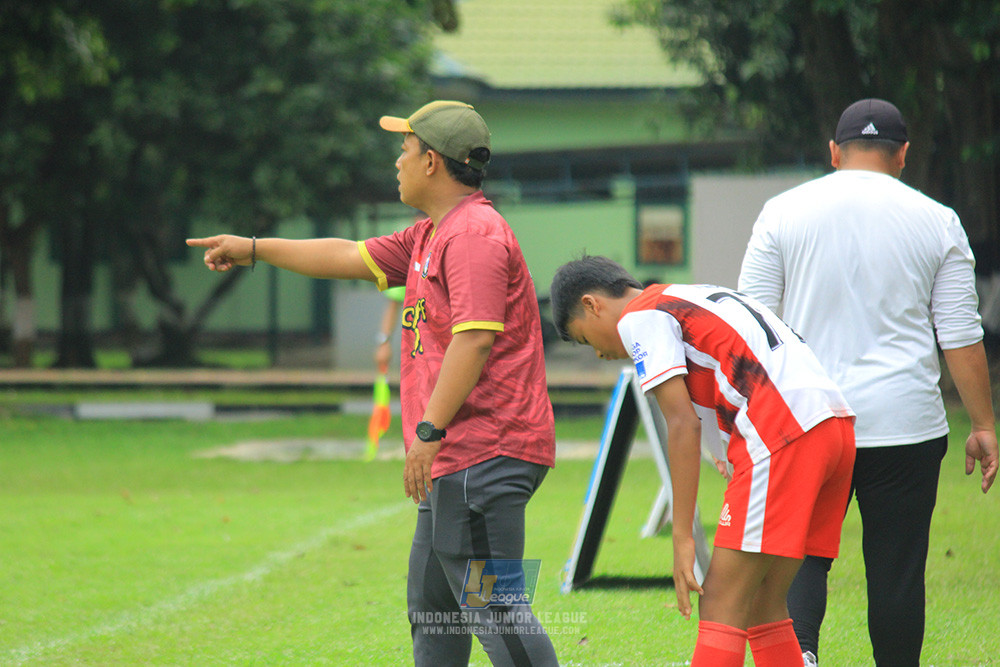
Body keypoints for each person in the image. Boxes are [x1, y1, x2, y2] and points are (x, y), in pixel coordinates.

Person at [188, 100, 558, 667]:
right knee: (433, 610)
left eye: (405, 148)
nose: (397, 160)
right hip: (454, 462)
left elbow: (474, 340)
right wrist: (254, 248)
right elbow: (344, 254)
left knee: (496, 608)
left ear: (432, 161)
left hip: (482, 455)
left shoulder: (475, 235)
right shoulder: (431, 234)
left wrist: (429, 430)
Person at [738, 98, 999, 666]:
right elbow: (960, 333)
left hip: (807, 421)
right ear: (904, 155)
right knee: (898, 570)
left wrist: (743, 425)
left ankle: (799, 656)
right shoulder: (938, 220)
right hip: (905, 424)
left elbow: (751, 327)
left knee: (800, 556)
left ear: (833, 152)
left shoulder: (782, 212)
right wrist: (982, 424)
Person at [549, 255, 856, 667]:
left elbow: (681, 424)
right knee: (765, 603)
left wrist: (682, 537)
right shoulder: (687, 296)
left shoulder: (639, 318)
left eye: (587, 340)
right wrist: (724, 446)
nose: (601, 354)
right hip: (834, 426)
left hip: (783, 432)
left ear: (592, 305)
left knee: (721, 603)